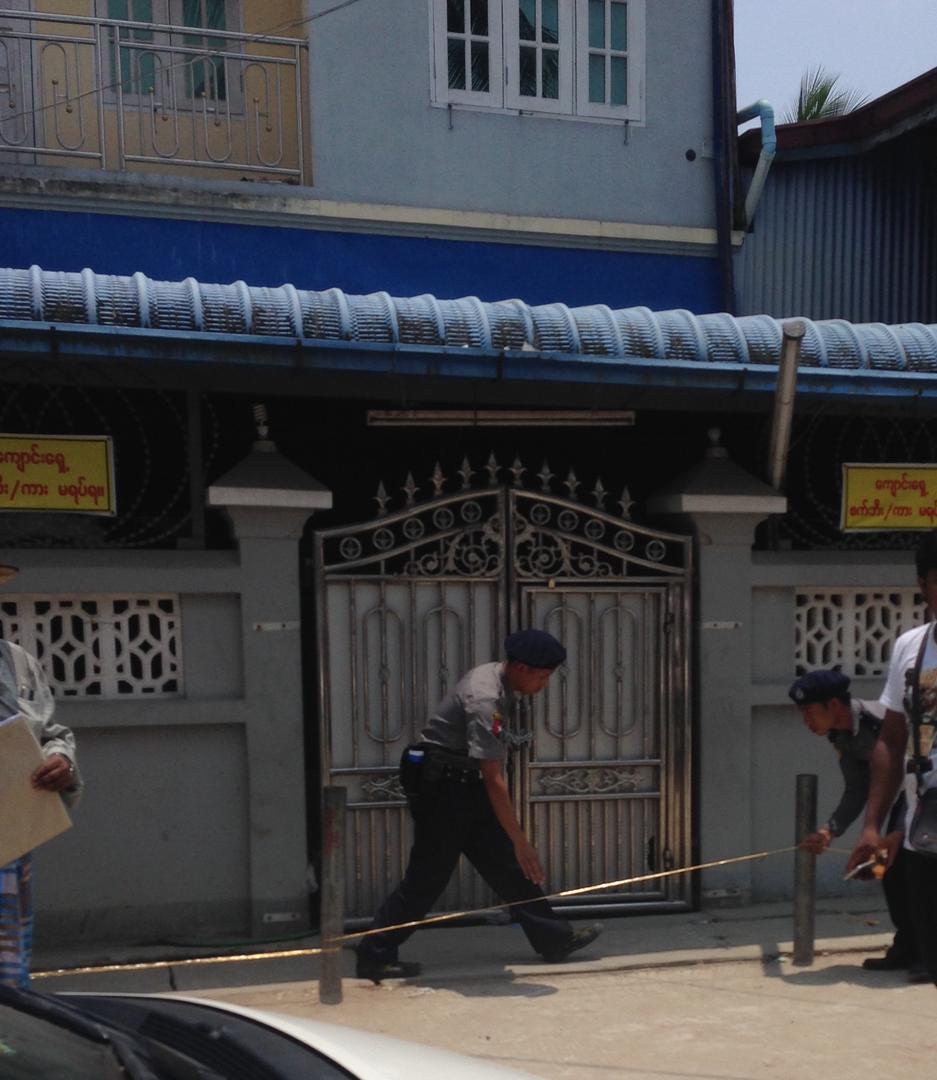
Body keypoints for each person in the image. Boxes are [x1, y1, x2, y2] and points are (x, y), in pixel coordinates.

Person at [355, 629, 602, 983]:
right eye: (543, 677)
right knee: (429, 875)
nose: (545, 685)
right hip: (443, 788)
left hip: (461, 782)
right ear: (520, 668)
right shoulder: (485, 698)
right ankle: (373, 955)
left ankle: (554, 939)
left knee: (506, 866)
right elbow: (493, 777)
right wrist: (521, 840)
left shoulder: (498, 680)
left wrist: (513, 844)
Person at [788, 669, 925, 981]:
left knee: (913, 870)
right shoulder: (842, 735)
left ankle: (927, 954)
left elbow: (910, 775)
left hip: (923, 794)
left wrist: (896, 833)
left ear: (833, 705)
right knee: (887, 872)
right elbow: (857, 789)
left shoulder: (880, 723)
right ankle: (907, 946)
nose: (806, 721)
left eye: (809, 712)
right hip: (901, 798)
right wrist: (828, 831)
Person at [847, 530, 937, 988]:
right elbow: (892, 739)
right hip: (927, 824)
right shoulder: (910, 648)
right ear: (923, 584)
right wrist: (872, 826)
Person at [0, 564, 82, 988]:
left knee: (8, 977)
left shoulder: (17, 663)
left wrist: (60, 763)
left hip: (9, 848)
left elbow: (52, 733)